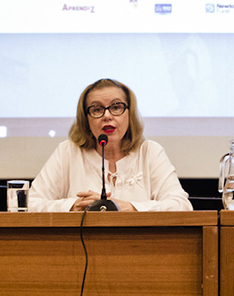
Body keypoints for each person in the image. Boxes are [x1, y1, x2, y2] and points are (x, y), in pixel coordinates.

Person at [28, 78, 192, 211]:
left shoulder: (149, 152)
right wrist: (73, 206)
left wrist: (127, 207)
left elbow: (181, 206)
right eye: (97, 109)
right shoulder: (68, 152)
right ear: (86, 119)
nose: (107, 116)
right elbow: (30, 203)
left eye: (116, 107)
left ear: (129, 114)